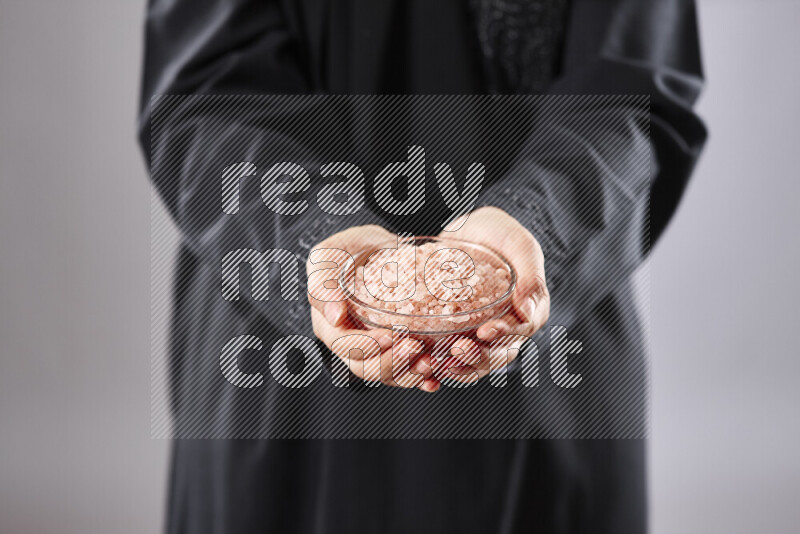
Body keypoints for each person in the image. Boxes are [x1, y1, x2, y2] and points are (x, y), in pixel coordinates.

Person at [139, 0, 706, 532]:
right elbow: (203, 89)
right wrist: (312, 235)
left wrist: (539, 219)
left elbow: (634, 82)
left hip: (544, 342)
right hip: (280, 356)